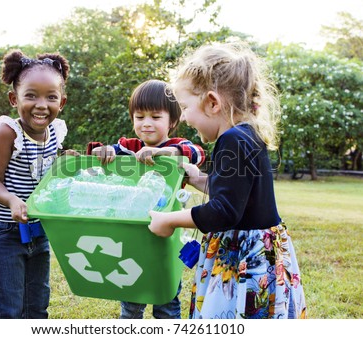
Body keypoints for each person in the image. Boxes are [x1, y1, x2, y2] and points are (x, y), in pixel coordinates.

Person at [148, 43, 307, 319]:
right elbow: (235, 196)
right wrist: (196, 177)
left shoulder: (231, 140)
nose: (183, 117)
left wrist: (169, 219)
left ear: (212, 102)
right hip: (261, 250)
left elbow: (224, 211)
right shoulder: (247, 134)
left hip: (244, 259)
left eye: (185, 107)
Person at [87, 79, 206, 319]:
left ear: (171, 121)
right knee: (131, 295)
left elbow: (196, 153)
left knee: (167, 300)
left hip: (168, 234)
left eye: (155, 117)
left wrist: (164, 153)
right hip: (132, 232)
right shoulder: (128, 147)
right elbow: (100, 153)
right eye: (139, 117)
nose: (146, 123)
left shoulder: (176, 146)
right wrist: (104, 151)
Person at [0, 49, 70, 318]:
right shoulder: (7, 132)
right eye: (31, 95)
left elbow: (51, 172)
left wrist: (72, 162)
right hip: (3, 231)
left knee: (37, 306)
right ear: (13, 98)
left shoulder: (57, 131)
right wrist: (12, 201)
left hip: (38, 230)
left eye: (51, 97)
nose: (41, 104)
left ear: (61, 102)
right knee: (9, 310)